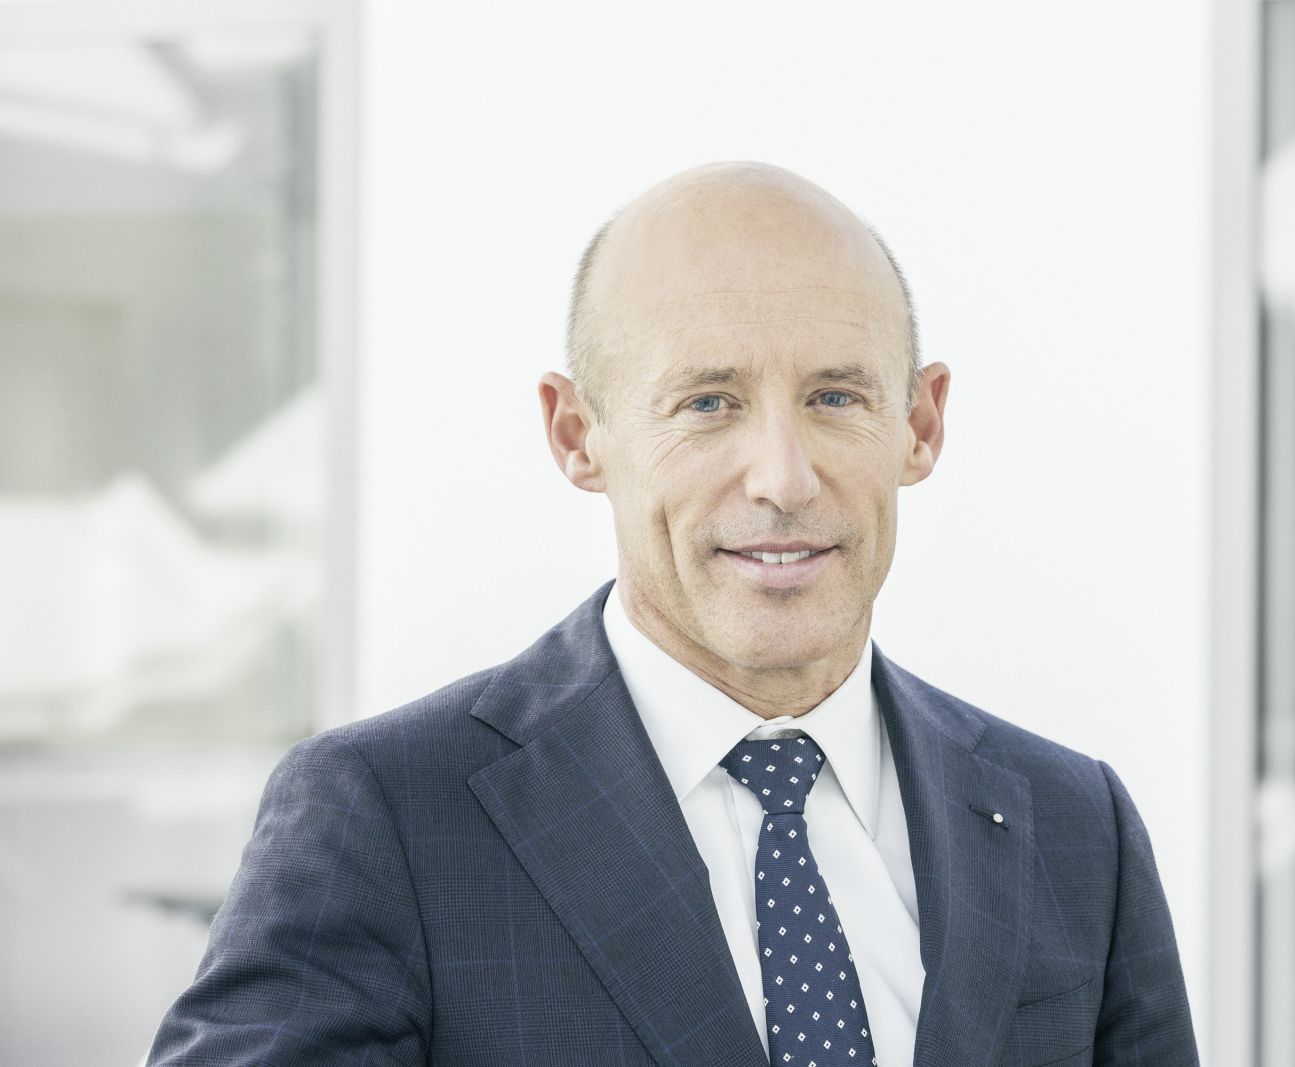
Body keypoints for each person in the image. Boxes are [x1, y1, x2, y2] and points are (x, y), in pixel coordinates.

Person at [148, 161, 1198, 1067]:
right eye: (707, 403)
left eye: (835, 397)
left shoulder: (1075, 827)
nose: (782, 478)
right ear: (577, 435)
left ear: (919, 424)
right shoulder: (389, 818)